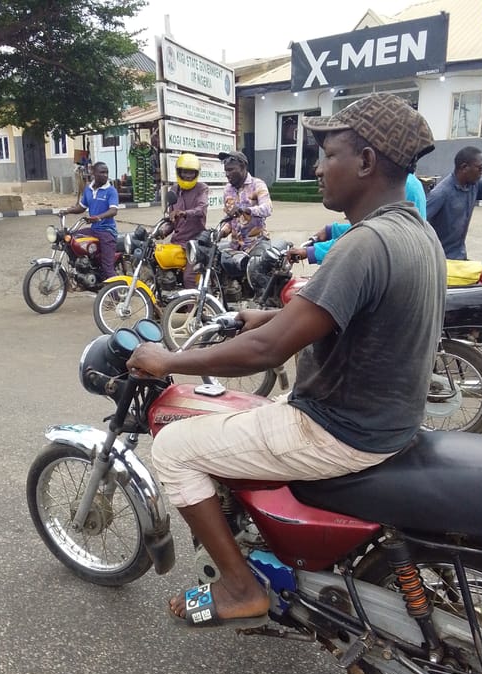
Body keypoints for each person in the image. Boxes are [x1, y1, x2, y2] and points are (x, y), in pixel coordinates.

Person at [126, 93, 446, 629]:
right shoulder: (414, 232)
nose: (317, 167)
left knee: (176, 447)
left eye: (328, 154)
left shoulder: (364, 244)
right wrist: (269, 315)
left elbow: (267, 352)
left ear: (366, 162)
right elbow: (326, 316)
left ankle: (238, 587)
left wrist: (169, 358)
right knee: (244, 411)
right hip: (387, 420)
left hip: (338, 429)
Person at [294, 171, 428, 264]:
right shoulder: (408, 182)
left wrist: (312, 252)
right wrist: (331, 230)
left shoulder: (394, 188)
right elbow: (369, 226)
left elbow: (365, 239)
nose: (319, 170)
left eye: (331, 155)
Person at [426, 146, 482, 259]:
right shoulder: (441, 193)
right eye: (479, 168)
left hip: (460, 256)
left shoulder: (475, 185)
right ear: (464, 167)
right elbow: (419, 222)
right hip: (441, 260)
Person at [59, 161, 119, 280]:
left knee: (107, 267)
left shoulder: (111, 190)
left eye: (106, 172)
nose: (105, 175)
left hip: (107, 232)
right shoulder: (88, 189)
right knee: (71, 239)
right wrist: (68, 211)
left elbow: (113, 211)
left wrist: (98, 217)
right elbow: (82, 207)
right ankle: (81, 269)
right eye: (102, 172)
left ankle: (116, 296)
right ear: (93, 173)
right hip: (93, 230)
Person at [159, 153, 209, 288]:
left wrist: (184, 213)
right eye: (185, 172)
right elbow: (172, 220)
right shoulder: (174, 189)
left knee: (189, 278)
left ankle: (193, 308)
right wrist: (160, 232)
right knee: (159, 267)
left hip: (195, 243)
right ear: (179, 172)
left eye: (191, 172)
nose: (188, 175)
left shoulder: (201, 188)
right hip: (177, 241)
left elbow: (201, 209)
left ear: (196, 173)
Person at [218, 151, 272, 253]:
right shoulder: (227, 190)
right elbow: (231, 221)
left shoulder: (258, 185)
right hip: (235, 246)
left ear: (243, 167)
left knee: (255, 267)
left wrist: (246, 210)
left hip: (257, 244)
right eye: (226, 171)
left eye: (231, 170)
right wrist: (222, 232)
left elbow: (268, 208)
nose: (227, 174)